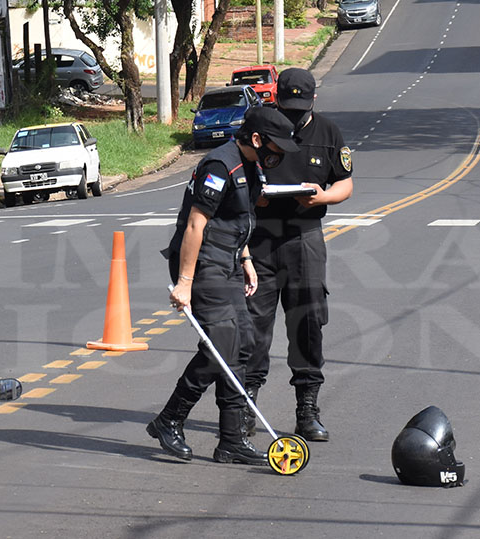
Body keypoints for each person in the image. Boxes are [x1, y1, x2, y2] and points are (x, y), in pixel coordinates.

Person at [147, 107, 299, 464]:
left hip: (228, 261)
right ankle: (169, 419)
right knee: (221, 347)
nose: (277, 156)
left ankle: (231, 441)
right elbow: (196, 224)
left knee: (242, 345)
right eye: (275, 148)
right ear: (257, 140)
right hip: (202, 265)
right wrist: (184, 283)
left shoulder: (251, 165)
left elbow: (237, 217)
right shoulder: (219, 166)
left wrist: (245, 260)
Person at [243, 68, 354, 442]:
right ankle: (246, 405)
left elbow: (345, 182)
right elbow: (238, 173)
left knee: (307, 323)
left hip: (304, 237)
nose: (292, 115)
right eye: (286, 106)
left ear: (313, 101)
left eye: (299, 108)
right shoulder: (259, 128)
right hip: (260, 239)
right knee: (254, 327)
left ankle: (307, 410)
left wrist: (323, 197)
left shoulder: (328, 133)